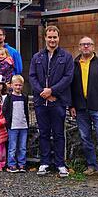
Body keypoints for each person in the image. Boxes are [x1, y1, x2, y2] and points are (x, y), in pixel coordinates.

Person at [28, 25, 74, 178]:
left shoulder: (66, 57)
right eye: (50, 37)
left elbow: (68, 78)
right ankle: (45, 162)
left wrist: (52, 91)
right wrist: (44, 93)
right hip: (41, 102)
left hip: (58, 102)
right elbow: (32, 77)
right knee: (44, 133)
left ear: (58, 38)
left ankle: (60, 164)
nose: (52, 40)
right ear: (45, 38)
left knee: (59, 133)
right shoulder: (37, 57)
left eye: (55, 37)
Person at [70, 36, 98, 180]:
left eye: (88, 44)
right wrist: (71, 105)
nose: (85, 47)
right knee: (85, 138)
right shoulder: (75, 64)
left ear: (93, 47)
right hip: (80, 108)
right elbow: (70, 87)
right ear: (79, 47)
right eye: (83, 45)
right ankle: (92, 166)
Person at [3, 75, 29, 173]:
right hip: (13, 126)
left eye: (20, 85)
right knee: (12, 147)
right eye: (16, 85)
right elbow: (5, 110)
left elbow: (26, 110)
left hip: (23, 125)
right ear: (12, 85)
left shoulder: (24, 97)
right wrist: (7, 122)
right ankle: (11, 164)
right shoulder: (9, 97)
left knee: (22, 146)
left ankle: (22, 164)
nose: (18, 87)